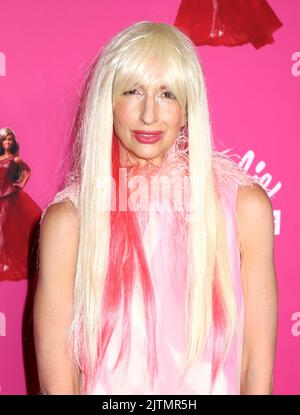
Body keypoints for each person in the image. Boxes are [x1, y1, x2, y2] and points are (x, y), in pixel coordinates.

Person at [33, 21, 278, 395]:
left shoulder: (244, 208)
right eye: (132, 91)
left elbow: (256, 367)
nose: (149, 115)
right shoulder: (70, 221)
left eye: (167, 94)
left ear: (188, 106)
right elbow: (58, 385)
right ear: (108, 102)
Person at [0, 127, 41, 281]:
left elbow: (27, 171)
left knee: (7, 232)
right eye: (5, 139)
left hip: (10, 198)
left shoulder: (14, 159)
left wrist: (20, 184)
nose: (8, 142)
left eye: (10, 140)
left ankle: (7, 263)